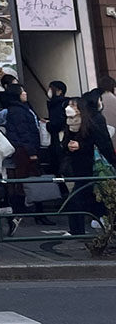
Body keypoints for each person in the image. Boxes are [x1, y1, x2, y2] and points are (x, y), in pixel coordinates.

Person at [58, 96, 109, 235]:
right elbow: (64, 143)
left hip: (93, 166)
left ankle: (78, 230)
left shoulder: (91, 122)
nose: (70, 108)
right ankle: (97, 222)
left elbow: (101, 143)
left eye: (73, 106)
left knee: (78, 198)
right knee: (89, 197)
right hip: (78, 167)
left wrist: (81, 145)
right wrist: (68, 145)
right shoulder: (69, 124)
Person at [0, 81, 42, 229]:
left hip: (23, 148)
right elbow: (24, 132)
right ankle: (21, 211)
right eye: (22, 92)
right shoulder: (17, 111)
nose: (25, 93)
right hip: (23, 149)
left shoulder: (20, 108)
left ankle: (25, 211)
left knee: (23, 179)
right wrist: (31, 151)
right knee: (25, 179)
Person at [45, 80, 70, 173]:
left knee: (60, 165)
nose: (49, 91)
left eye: (51, 88)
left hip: (59, 140)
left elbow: (58, 123)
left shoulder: (58, 104)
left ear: (59, 91)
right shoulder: (58, 103)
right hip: (58, 140)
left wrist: (48, 125)